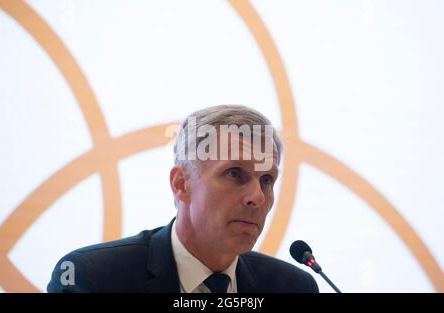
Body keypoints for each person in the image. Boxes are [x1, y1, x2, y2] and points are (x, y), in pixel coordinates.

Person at [47, 105, 319, 293]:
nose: (257, 197)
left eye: (267, 180)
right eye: (235, 173)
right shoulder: (93, 278)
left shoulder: (293, 287)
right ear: (181, 184)